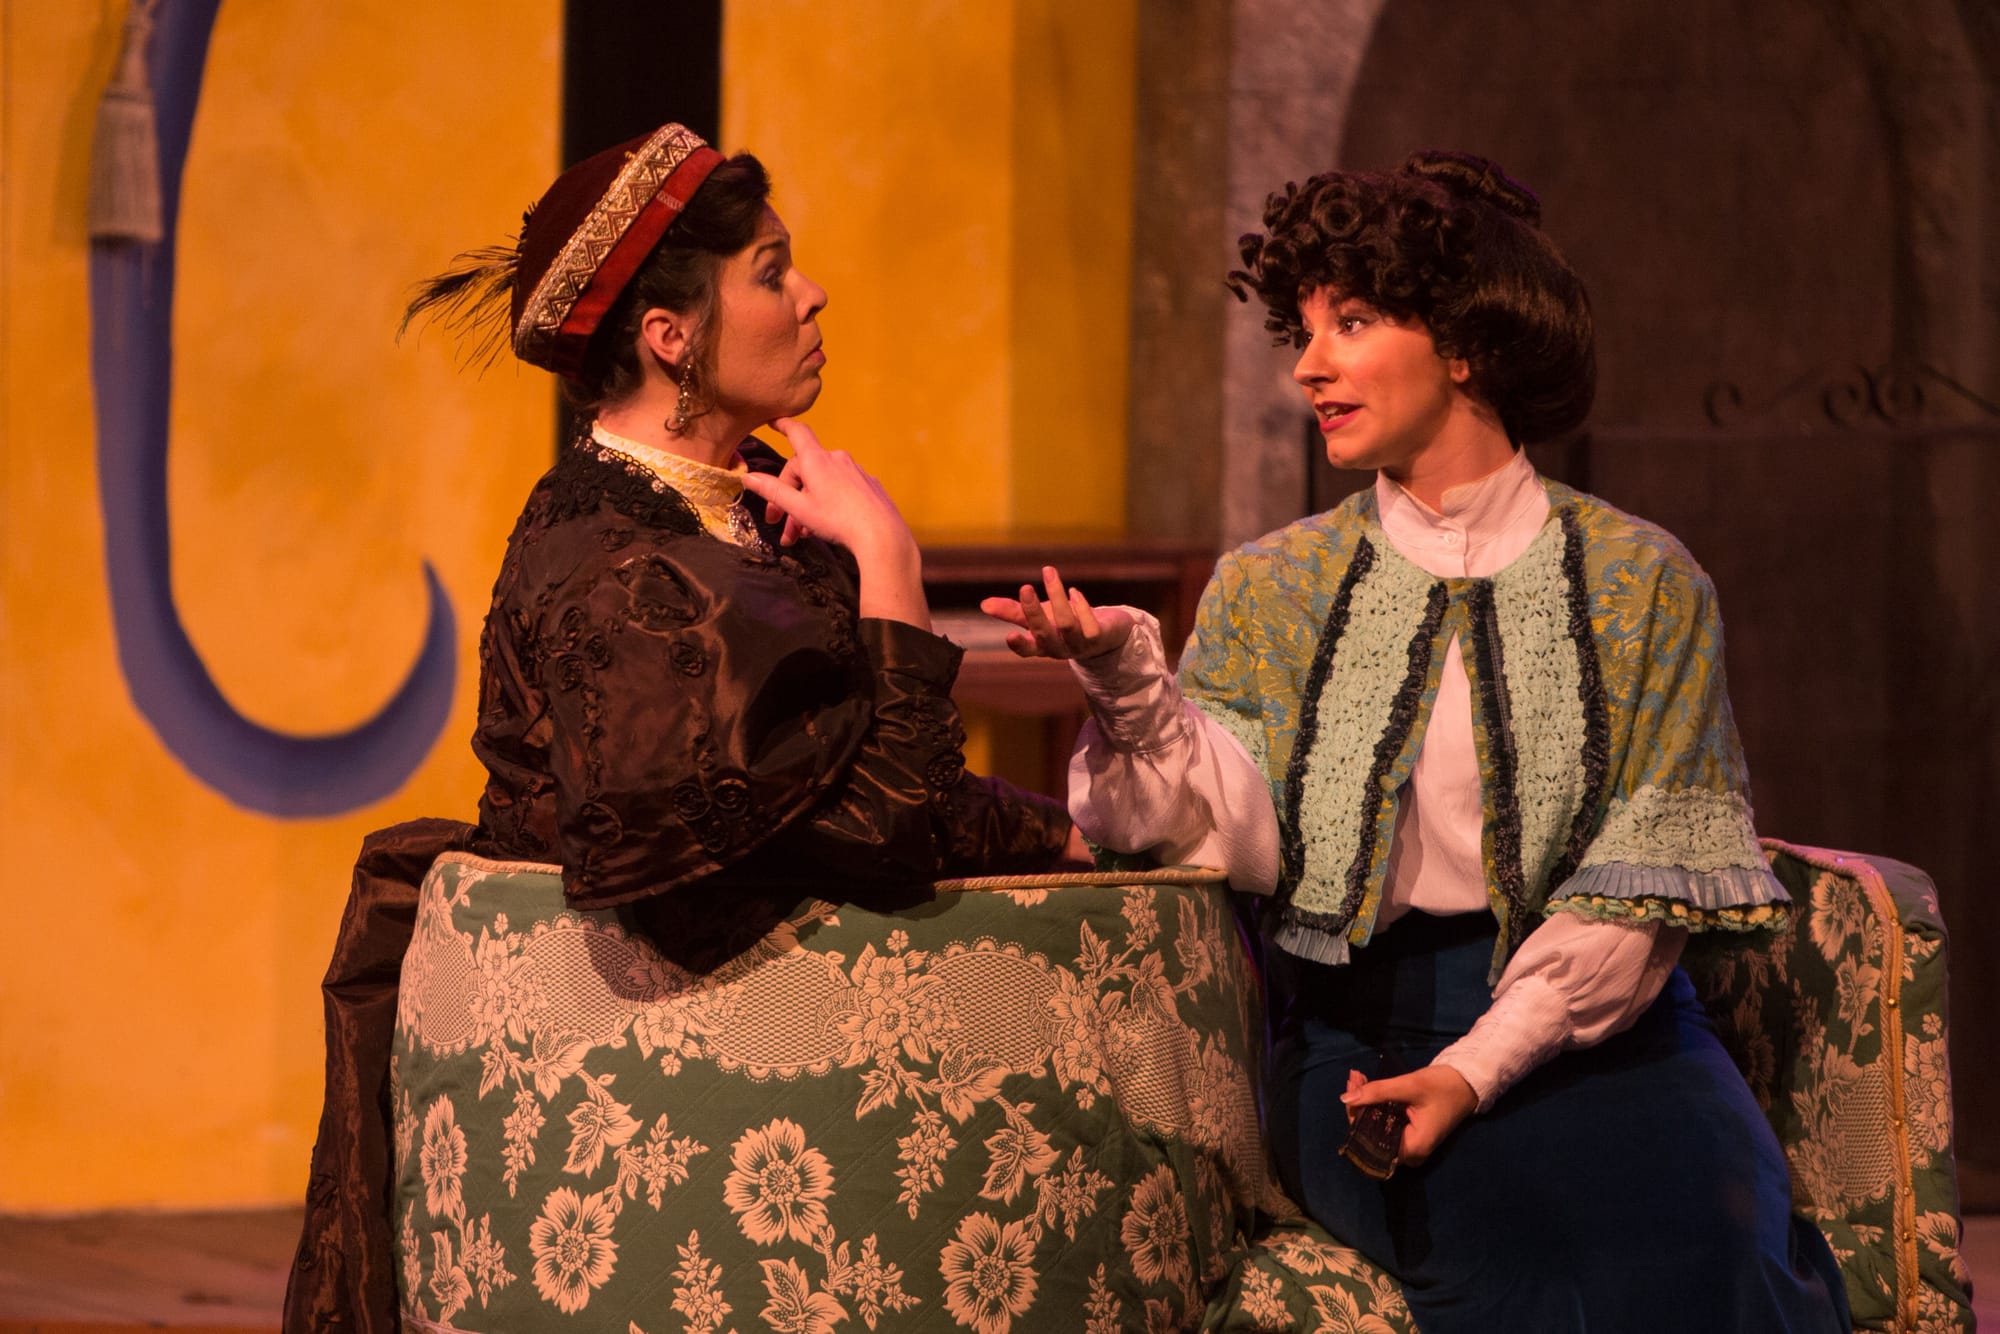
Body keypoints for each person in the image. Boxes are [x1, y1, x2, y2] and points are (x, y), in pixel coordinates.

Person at [983, 151, 1850, 1331]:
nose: (1308, 364)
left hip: (1608, 1037)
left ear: (1463, 344)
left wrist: (1479, 1066)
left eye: (1349, 320)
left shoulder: (1644, 583)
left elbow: (1631, 903)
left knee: (1731, 1253)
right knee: (1536, 1278)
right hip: (1365, 1038)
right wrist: (1123, 680)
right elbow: (1213, 829)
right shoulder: (1272, 587)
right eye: (1299, 328)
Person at [285, 123, 1076, 1333]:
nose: (809, 294)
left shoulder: (738, 520)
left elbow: (853, 788)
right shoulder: (625, 572)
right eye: (770, 270)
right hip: (663, 1118)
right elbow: (877, 827)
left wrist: (1077, 831)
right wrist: (890, 569)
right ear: (671, 337)